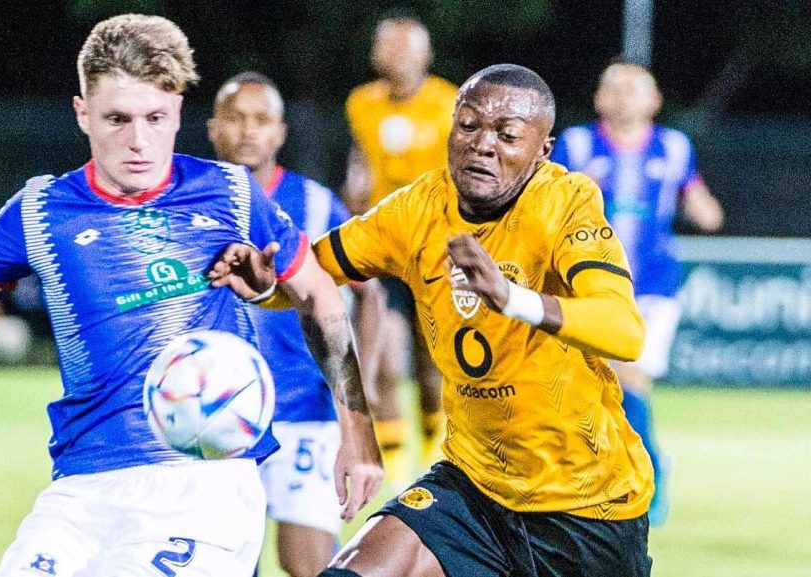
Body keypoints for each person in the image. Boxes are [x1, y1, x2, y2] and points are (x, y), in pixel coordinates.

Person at [0, 14, 382, 577]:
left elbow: (322, 297)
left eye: (155, 118)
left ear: (177, 109)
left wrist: (357, 431)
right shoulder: (45, 209)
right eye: (116, 119)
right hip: (80, 489)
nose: (139, 142)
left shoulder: (227, 191)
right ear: (82, 114)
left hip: (204, 486)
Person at [211, 64, 655, 577]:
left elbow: (625, 331)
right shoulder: (417, 209)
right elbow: (312, 276)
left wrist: (514, 299)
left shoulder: (566, 203)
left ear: (542, 152)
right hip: (473, 490)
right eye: (468, 126)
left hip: (588, 509)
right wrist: (265, 282)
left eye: (507, 135)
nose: (482, 145)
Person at [208, 71, 385, 577]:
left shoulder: (313, 203)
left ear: (280, 133)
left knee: (307, 564)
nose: (248, 130)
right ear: (213, 127)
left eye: (261, 120)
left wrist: (360, 386)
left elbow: (369, 296)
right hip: (216, 415)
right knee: (224, 562)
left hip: (303, 411)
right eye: (235, 118)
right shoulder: (190, 202)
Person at [549, 62, 724, 526]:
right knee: (596, 386)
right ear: (599, 99)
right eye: (614, 88)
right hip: (588, 283)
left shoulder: (673, 147)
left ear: (655, 101)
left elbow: (699, 201)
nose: (623, 97)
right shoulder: (577, 144)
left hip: (653, 286)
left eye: (634, 90)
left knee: (630, 374)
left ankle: (649, 482)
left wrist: (706, 210)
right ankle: (627, 469)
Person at [344, 14, 459, 485]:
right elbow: (359, 169)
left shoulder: (449, 102)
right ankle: (394, 474)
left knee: (432, 371)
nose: (394, 55)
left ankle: (436, 457)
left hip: (435, 251)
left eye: (405, 47)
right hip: (384, 249)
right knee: (387, 363)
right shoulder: (361, 103)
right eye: (387, 46)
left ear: (425, 54)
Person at [0, 274, 52, 364]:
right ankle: (1, 370)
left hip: (57, 327)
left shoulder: (62, 265)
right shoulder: (10, 265)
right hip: (18, 329)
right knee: (8, 339)